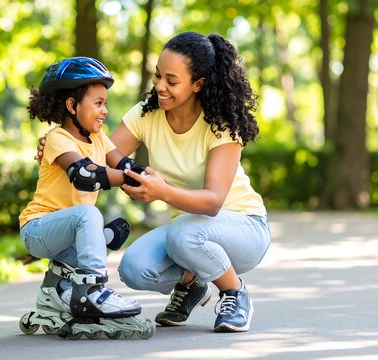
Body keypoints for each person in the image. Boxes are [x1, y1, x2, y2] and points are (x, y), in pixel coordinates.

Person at [36, 31, 271, 333]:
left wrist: (161, 192)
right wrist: (59, 145)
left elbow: (213, 202)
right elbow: (101, 152)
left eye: (171, 81)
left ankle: (234, 291)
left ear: (197, 84)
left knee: (183, 235)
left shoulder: (221, 124)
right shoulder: (147, 114)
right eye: (158, 75)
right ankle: (191, 284)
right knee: (134, 268)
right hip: (188, 231)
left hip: (243, 227)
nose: (160, 86)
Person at [18, 57, 154, 339]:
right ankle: (91, 290)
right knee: (89, 214)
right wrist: (130, 178)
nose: (104, 110)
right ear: (72, 105)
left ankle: (57, 290)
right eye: (98, 103)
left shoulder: (99, 138)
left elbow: (124, 166)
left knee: (113, 232)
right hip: (38, 228)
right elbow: (85, 175)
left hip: (65, 234)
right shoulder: (58, 138)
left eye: (105, 103)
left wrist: (153, 177)